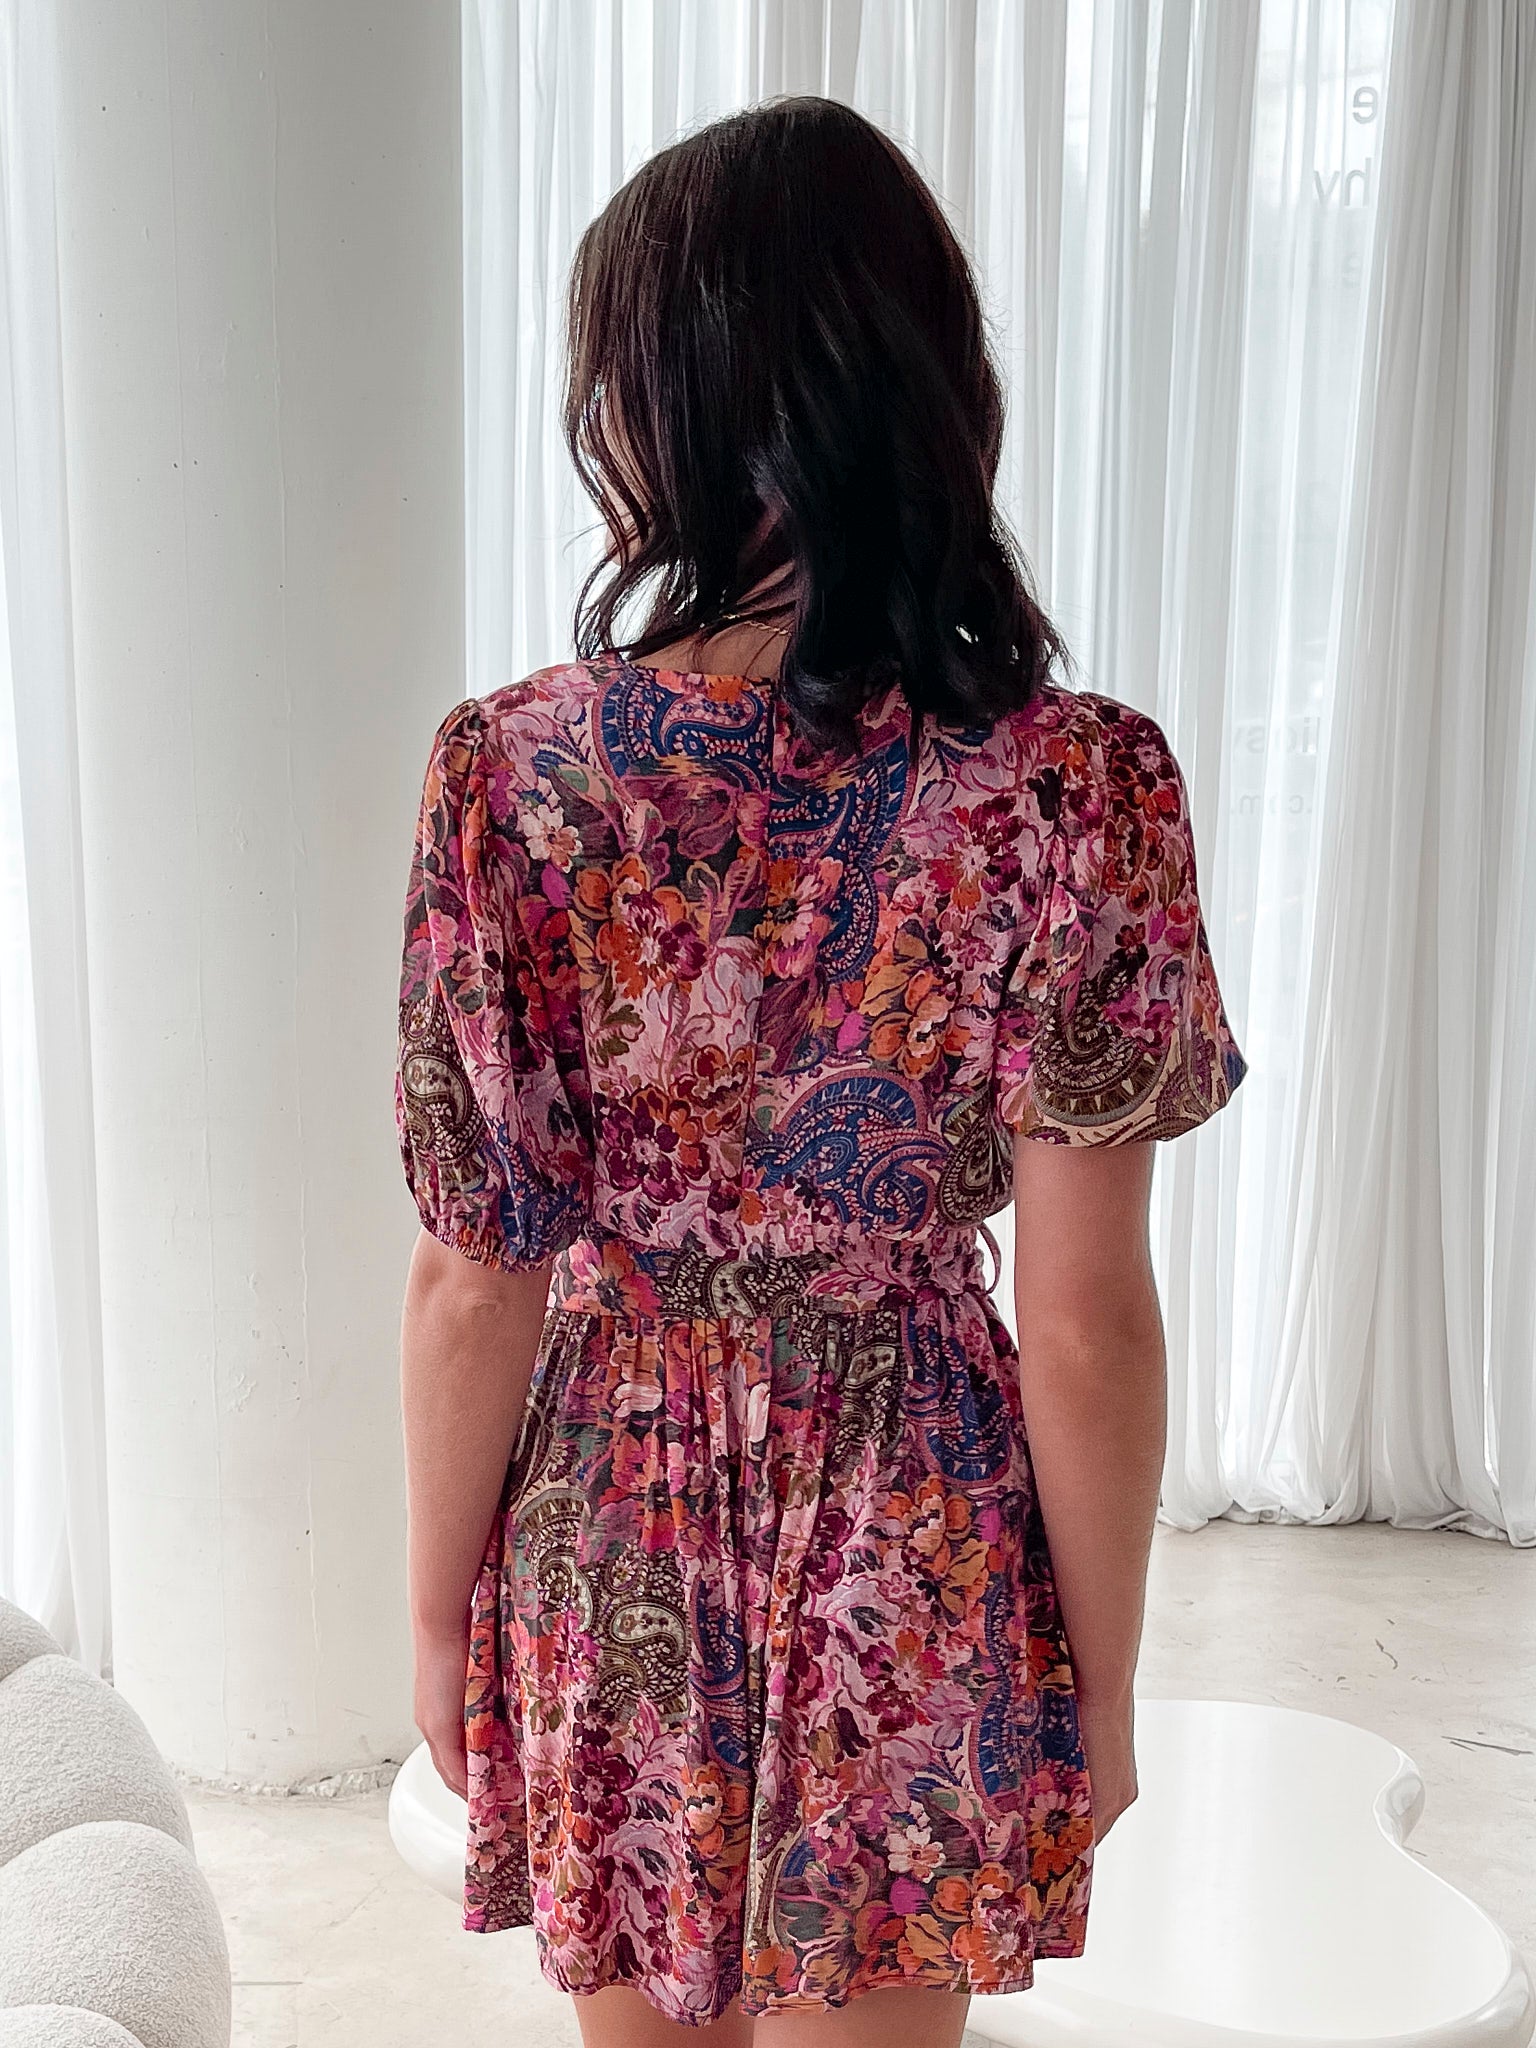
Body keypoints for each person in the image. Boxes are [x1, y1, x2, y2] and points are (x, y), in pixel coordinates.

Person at [395, 94, 1246, 2048]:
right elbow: (1089, 1320)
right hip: (915, 1519)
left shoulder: (511, 773)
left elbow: (471, 1272)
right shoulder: (1073, 781)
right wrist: (1100, 1678)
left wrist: (442, 1610)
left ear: (662, 406)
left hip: (612, 1504)